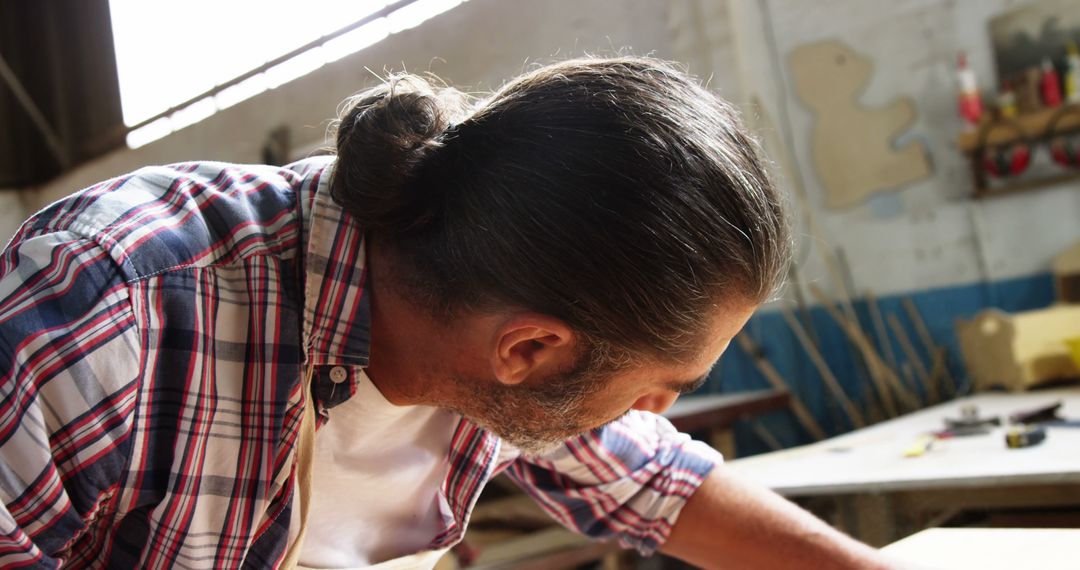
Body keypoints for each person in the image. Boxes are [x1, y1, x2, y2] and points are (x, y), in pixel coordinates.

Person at [0, 57, 897, 569]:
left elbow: (656, 483)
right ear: (532, 348)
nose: (653, 416)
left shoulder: (477, 295)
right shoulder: (109, 312)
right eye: (658, 387)